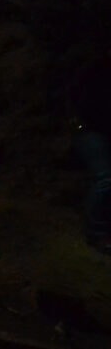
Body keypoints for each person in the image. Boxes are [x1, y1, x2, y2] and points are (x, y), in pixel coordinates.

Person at [70, 49, 111, 254]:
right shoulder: (98, 69)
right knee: (105, 179)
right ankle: (96, 234)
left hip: (99, 130)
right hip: (90, 131)